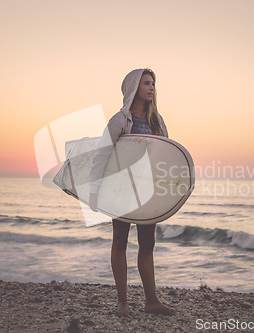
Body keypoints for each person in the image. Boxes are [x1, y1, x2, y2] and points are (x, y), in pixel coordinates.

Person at [88, 68, 174, 316]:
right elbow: (102, 155)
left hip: (147, 193)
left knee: (148, 244)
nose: (151, 88)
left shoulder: (157, 121)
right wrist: (94, 191)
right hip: (121, 191)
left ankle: (151, 301)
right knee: (120, 241)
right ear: (134, 86)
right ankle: (122, 303)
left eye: (153, 84)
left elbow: (165, 157)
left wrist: (166, 191)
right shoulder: (120, 120)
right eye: (146, 83)